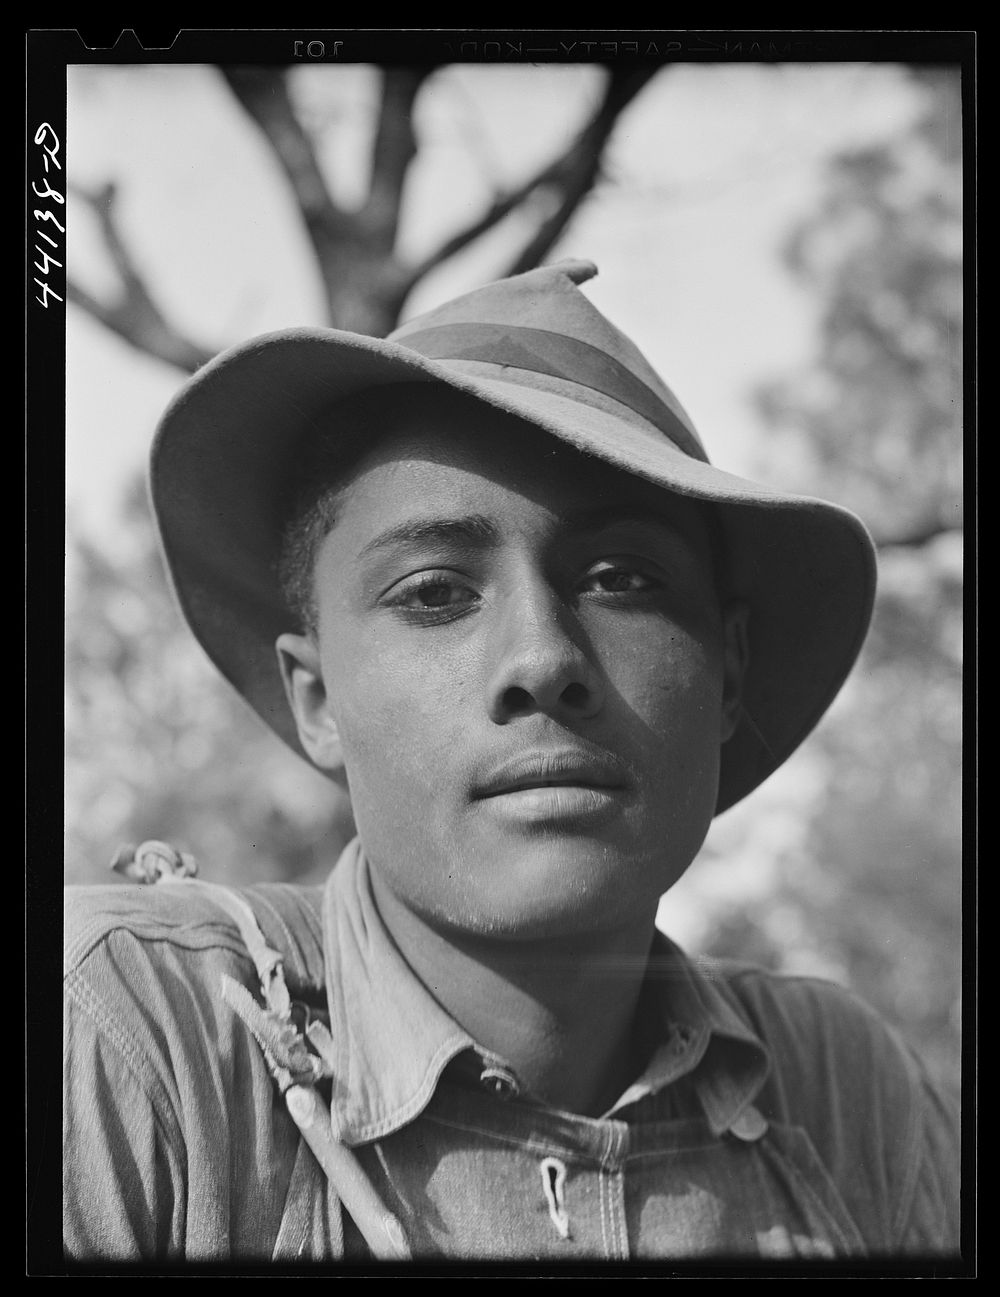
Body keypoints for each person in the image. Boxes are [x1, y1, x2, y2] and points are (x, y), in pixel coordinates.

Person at [63, 259, 960, 1266]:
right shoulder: (130, 1043)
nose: (542, 660)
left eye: (621, 579)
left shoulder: (843, 1098)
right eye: (435, 592)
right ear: (317, 701)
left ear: (730, 674)